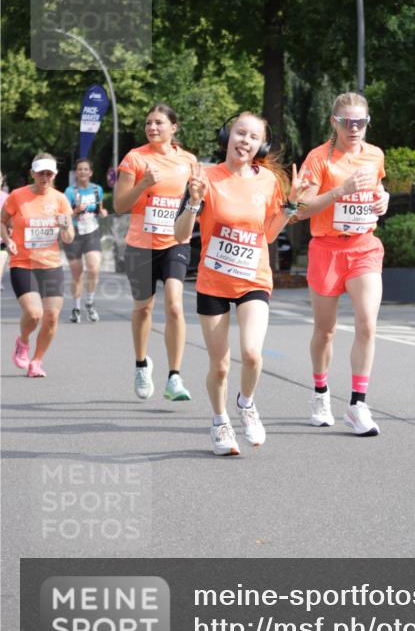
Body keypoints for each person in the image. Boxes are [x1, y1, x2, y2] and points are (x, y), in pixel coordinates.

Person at [174, 112, 306, 456]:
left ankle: (246, 403)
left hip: (253, 278)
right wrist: (193, 201)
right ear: (227, 136)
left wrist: (290, 204)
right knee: (219, 365)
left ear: (260, 145)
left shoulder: (268, 181)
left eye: (252, 136)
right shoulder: (205, 177)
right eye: (239, 133)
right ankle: (219, 421)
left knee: (251, 354)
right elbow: (182, 234)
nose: (244, 140)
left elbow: (269, 233)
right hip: (213, 281)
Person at [298, 92, 389, 436]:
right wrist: (339, 191)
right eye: (347, 122)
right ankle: (321, 393)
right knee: (325, 330)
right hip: (327, 250)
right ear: (333, 123)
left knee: (367, 323)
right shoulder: (319, 159)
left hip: (364, 247)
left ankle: (357, 404)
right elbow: (301, 208)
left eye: (361, 122)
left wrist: (382, 202)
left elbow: (379, 189)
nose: (354, 128)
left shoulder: (375, 154)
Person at [113, 104, 196, 402]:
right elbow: (120, 206)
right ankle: (141, 364)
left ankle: (175, 377)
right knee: (143, 308)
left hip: (175, 241)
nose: (152, 128)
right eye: (148, 123)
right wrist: (144, 184)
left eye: (159, 123)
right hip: (140, 245)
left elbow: (195, 199)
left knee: (175, 305)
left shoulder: (188, 160)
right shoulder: (134, 158)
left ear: (174, 127)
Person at [1, 153, 74, 377]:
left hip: (50, 265)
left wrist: (64, 227)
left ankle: (37, 361)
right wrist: (8, 240)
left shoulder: (61, 199)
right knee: (34, 314)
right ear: (32, 173)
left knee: (51, 317)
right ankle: (22, 342)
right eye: (40, 173)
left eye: (49, 173)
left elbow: (69, 238)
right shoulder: (17, 196)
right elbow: (2, 221)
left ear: (54, 175)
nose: (44, 177)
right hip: (23, 262)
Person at [64, 158, 108, 323]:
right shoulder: (69, 191)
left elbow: (100, 208)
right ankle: (76, 308)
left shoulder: (97, 189)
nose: (82, 172)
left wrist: (103, 212)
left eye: (85, 169)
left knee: (94, 268)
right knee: (77, 274)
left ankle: (89, 301)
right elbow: (65, 215)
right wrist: (75, 211)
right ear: (76, 172)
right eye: (79, 169)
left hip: (91, 231)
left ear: (90, 172)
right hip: (74, 233)